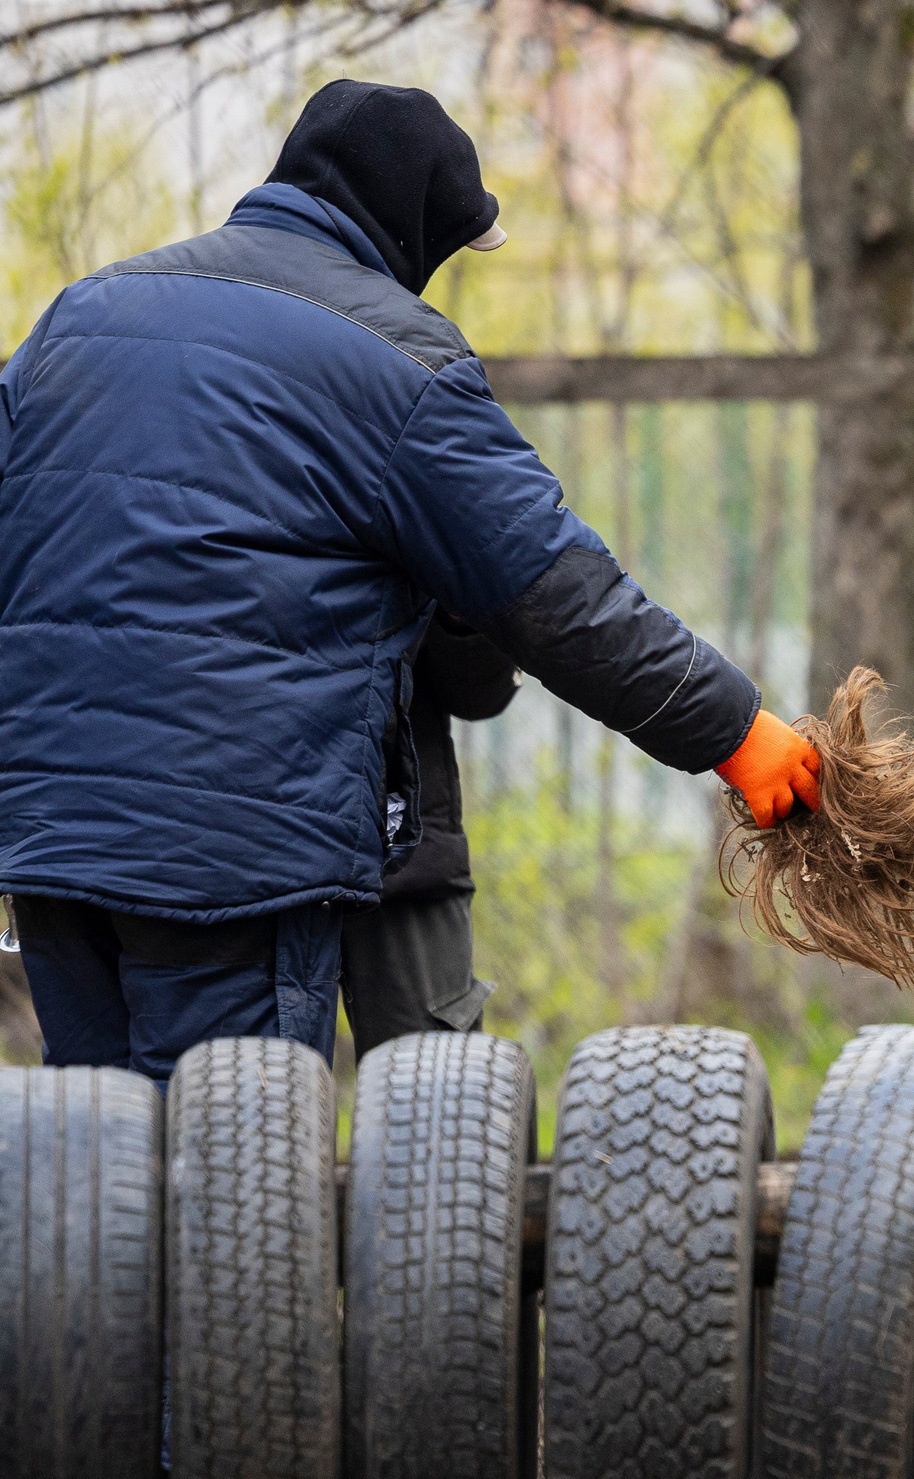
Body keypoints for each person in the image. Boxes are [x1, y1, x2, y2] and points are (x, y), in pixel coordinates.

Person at [0, 80, 822, 1081]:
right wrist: (735, 732)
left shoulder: (78, 319)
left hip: (51, 835)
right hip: (234, 854)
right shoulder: (398, 360)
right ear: (413, 226)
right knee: (223, 1182)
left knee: (92, 1168)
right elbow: (563, 599)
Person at [339, 610, 519, 1058]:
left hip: (401, 855)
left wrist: (465, 605)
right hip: (231, 851)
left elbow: (480, 691)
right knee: (237, 1098)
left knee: (438, 1097)